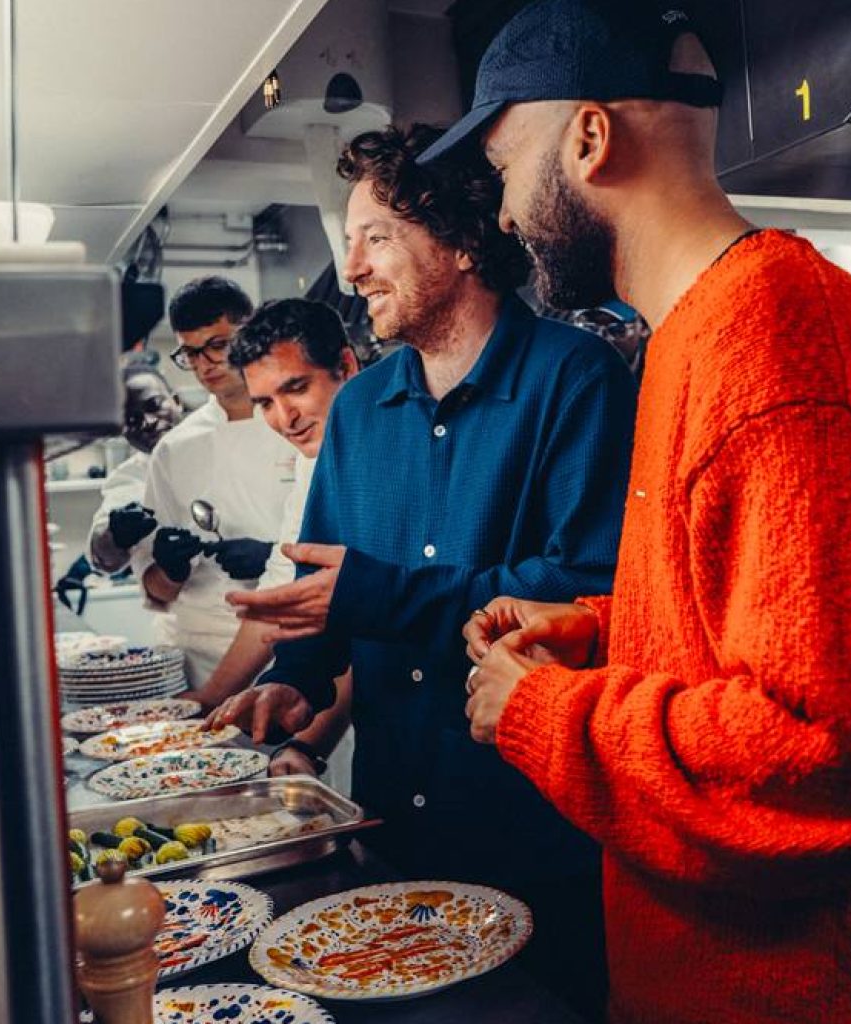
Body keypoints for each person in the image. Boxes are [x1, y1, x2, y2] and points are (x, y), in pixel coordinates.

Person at [420, 2, 851, 1022]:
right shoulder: (690, 335)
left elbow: (834, 758)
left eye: (503, 171)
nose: (499, 216)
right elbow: (750, 636)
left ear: (587, 138)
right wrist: (596, 631)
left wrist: (543, 712)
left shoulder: (771, 340)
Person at [206, 123, 638, 1018]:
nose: (354, 268)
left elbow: (589, 586)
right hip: (392, 825)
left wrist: (379, 594)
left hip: (531, 828)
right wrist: (295, 679)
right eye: (350, 241)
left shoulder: (577, 377)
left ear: (465, 241)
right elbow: (324, 589)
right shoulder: (362, 408)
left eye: (378, 237)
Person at [191, 298, 358, 790]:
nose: (285, 418)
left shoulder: (390, 456)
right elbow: (283, 599)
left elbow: (375, 628)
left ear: (345, 366)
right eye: (264, 402)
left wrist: (309, 745)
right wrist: (207, 701)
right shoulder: (312, 462)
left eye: (297, 388)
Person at [131, 277, 295, 686]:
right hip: (200, 662)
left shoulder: (298, 424)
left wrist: (273, 556)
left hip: (293, 652)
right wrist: (171, 569)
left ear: (250, 328)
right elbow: (156, 590)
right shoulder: (175, 449)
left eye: (218, 345)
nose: (205, 364)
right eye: (190, 352)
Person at [88, 365, 184, 575]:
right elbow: (102, 558)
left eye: (154, 405)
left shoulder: (220, 443)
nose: (148, 422)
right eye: (131, 419)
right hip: (181, 602)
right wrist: (115, 535)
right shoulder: (129, 478)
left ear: (176, 401)